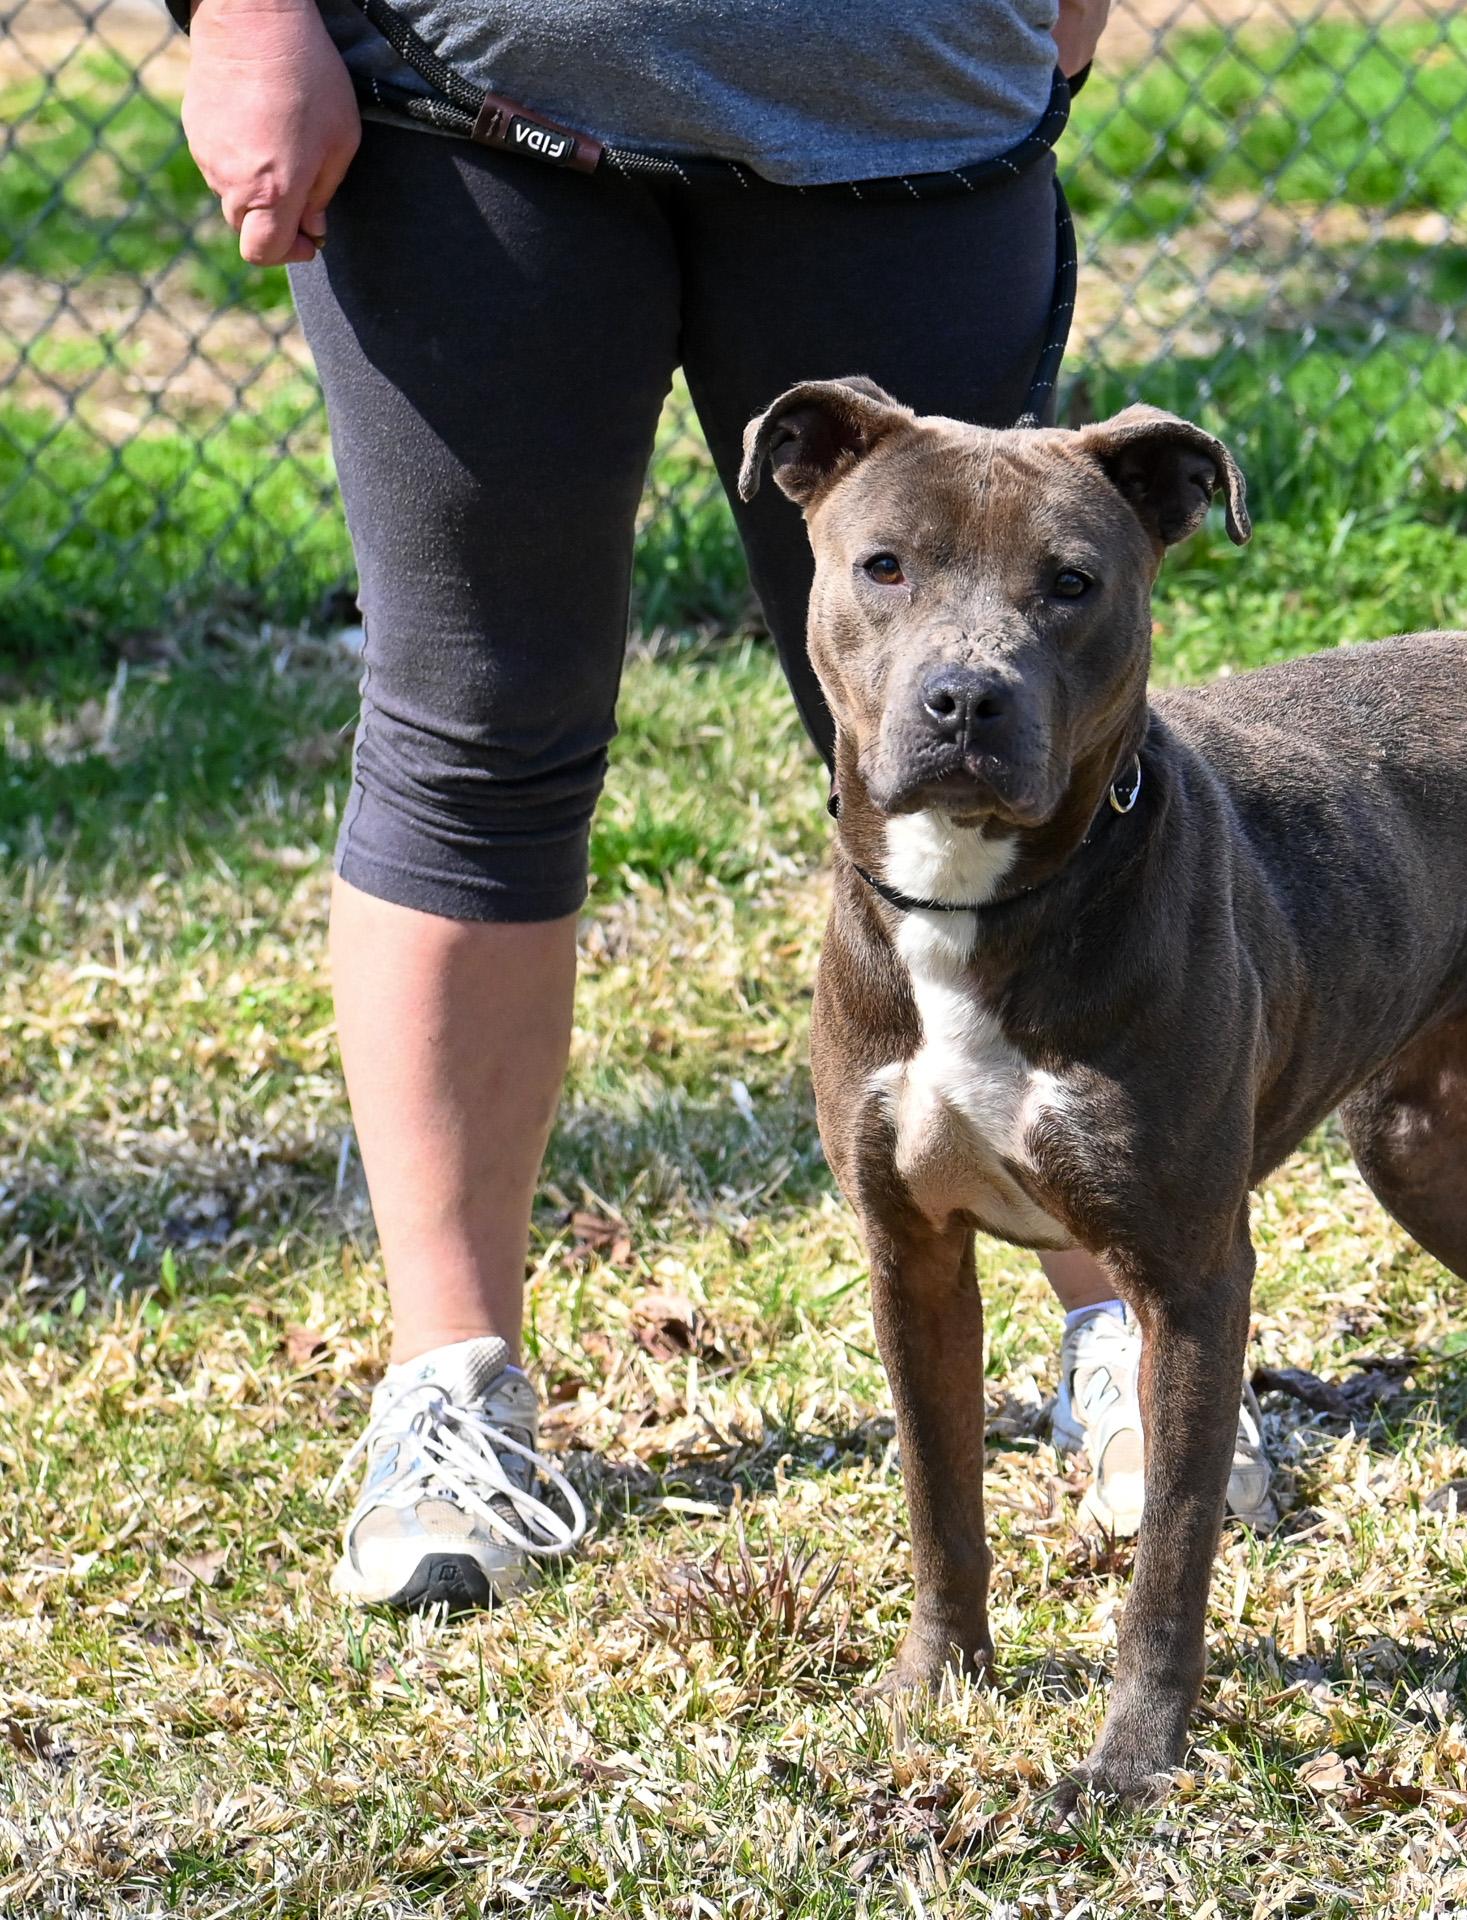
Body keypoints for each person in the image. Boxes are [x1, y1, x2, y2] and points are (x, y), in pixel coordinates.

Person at [176, 0, 1275, 1611]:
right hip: (467, 89)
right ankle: (452, 1391)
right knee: (475, 734)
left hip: (906, 92)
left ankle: (1120, 1321)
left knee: (983, 722)